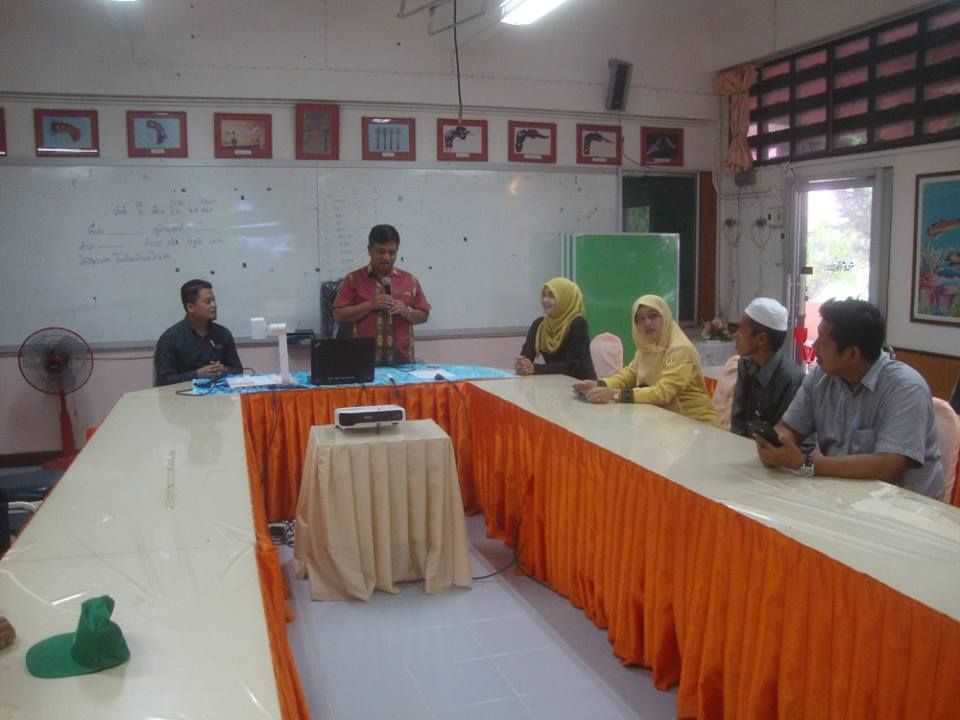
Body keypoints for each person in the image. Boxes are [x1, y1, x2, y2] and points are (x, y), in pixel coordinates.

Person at [754, 299, 944, 498]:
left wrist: (806, 463)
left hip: (905, 506)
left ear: (852, 353)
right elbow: (789, 428)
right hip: (842, 496)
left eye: (823, 342)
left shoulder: (906, 388)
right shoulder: (820, 377)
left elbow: (889, 466)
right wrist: (778, 443)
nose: (815, 347)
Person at [573, 294, 719, 424]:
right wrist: (600, 384)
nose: (647, 323)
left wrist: (615, 394)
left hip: (696, 424)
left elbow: (664, 393)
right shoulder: (647, 347)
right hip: (667, 420)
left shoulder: (680, 349)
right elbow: (630, 375)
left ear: (665, 317)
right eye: (641, 319)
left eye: (653, 316)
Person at [333, 224, 431, 364]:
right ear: (369, 251)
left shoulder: (410, 280)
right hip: (363, 362)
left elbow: (424, 315)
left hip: (402, 363)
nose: (386, 257)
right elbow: (338, 314)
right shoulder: (353, 279)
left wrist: (406, 311)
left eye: (392, 253)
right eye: (380, 252)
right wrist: (370, 305)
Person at [730, 297, 802, 437]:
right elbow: (738, 422)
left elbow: (783, 436)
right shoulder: (745, 365)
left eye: (741, 330)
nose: (735, 335)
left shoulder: (792, 379)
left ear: (761, 339)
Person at [153, 279, 242, 386]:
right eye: (208, 302)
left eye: (214, 300)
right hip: (182, 395)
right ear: (190, 307)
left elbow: (238, 370)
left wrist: (224, 370)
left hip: (220, 393)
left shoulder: (223, 334)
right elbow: (163, 381)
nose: (214, 305)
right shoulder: (170, 339)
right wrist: (197, 374)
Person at [515, 278, 596, 380]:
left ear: (565, 299)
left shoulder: (578, 324)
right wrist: (522, 365)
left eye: (551, 296)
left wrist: (535, 368)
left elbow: (573, 367)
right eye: (544, 295)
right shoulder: (539, 325)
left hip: (580, 384)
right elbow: (526, 357)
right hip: (553, 382)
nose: (545, 300)